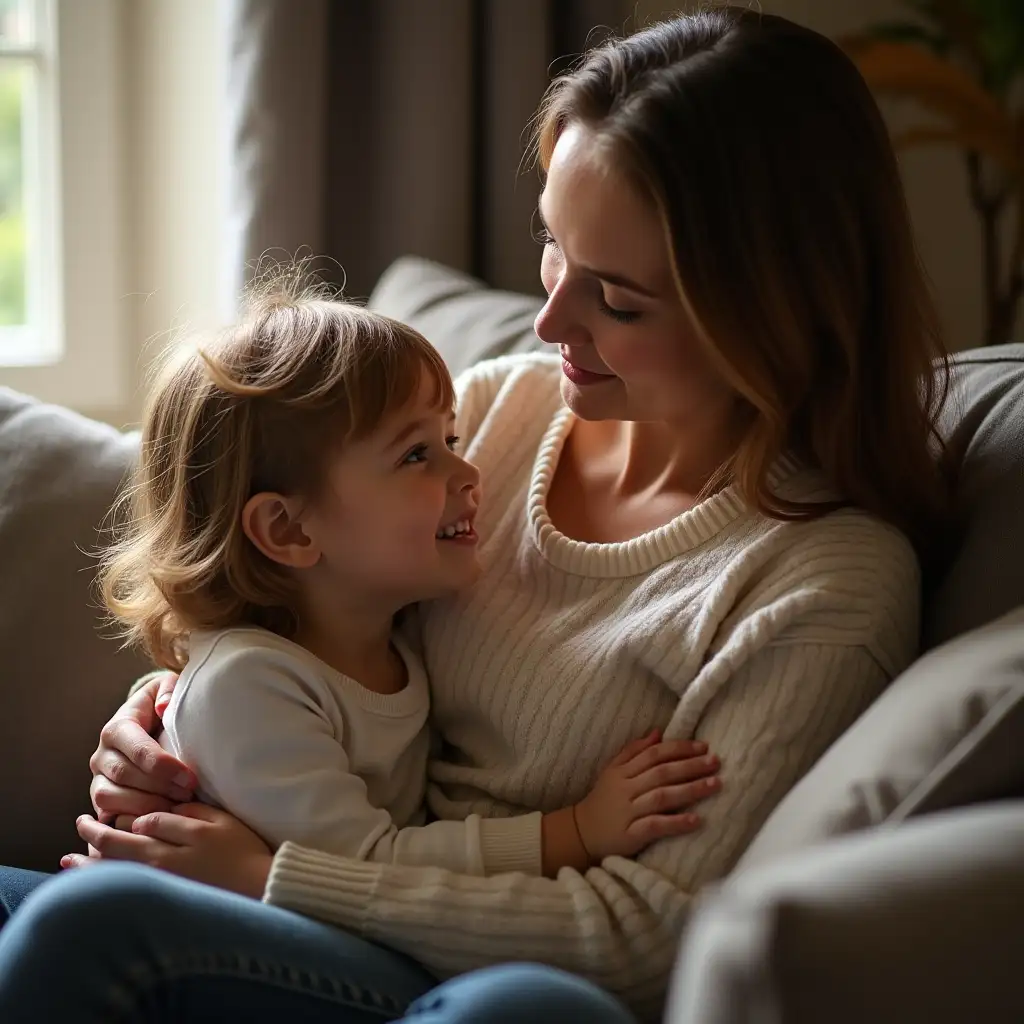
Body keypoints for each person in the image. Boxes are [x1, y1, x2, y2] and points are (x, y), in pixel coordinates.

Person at [0, 7, 956, 1024]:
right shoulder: (493, 410)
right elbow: (313, 594)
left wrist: (278, 875)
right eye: (552, 246)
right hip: (306, 906)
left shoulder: (822, 582)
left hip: (477, 973)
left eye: (616, 298)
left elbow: (648, 938)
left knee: (520, 1010)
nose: (550, 322)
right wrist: (169, 724)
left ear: (769, 304)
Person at [92, 280, 717, 880]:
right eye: (417, 455)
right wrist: (575, 832)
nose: (469, 471)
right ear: (289, 529)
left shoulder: (392, 639)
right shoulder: (250, 684)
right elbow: (366, 866)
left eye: (450, 438)